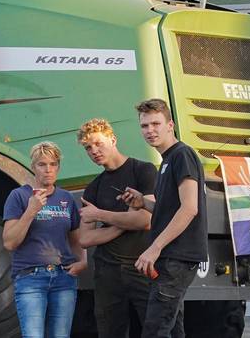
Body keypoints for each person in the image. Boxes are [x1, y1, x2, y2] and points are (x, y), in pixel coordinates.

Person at [120, 99, 208, 338]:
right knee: (173, 329)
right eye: (144, 126)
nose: (150, 130)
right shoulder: (167, 160)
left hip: (177, 258)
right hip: (172, 258)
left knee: (154, 330)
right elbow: (172, 208)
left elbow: (190, 208)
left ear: (170, 125)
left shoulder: (182, 155)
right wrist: (143, 203)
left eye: (156, 124)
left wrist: (154, 248)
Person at [76, 118, 158, 338]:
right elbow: (84, 239)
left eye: (98, 143)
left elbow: (145, 220)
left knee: (155, 328)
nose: (94, 151)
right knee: (110, 331)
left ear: (112, 139)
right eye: (88, 148)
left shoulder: (143, 170)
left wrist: (101, 215)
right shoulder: (94, 187)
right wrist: (121, 225)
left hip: (141, 266)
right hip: (108, 270)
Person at [2, 142, 88, 338]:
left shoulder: (66, 198)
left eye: (53, 164)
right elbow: (9, 242)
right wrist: (31, 211)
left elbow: (76, 238)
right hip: (30, 278)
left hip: (63, 278)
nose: (48, 170)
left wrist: (83, 261)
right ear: (33, 167)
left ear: (58, 167)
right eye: (42, 164)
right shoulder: (19, 196)